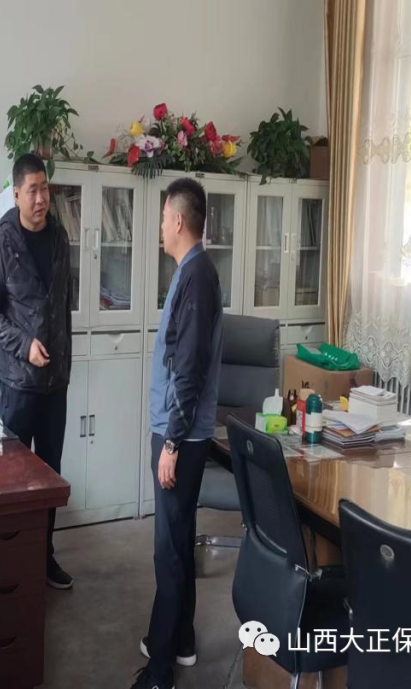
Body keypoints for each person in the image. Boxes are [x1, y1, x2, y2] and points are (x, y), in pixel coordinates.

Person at [133, 178, 224, 689]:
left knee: (168, 549)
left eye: (165, 216)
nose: (161, 226)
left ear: (179, 220)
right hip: (180, 431)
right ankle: (180, 639)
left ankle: (160, 669)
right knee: (179, 538)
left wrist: (170, 442)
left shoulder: (196, 277)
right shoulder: (192, 273)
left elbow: (188, 369)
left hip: (180, 437)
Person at [0, 153, 73, 590]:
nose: (41, 198)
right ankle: (12, 562)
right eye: (32, 190)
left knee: (50, 475)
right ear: (15, 194)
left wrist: (61, 357)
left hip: (56, 383)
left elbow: (62, 306)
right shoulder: (0, 246)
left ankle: (44, 556)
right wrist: (23, 344)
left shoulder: (60, 238)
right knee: (15, 479)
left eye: (45, 188)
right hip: (18, 384)